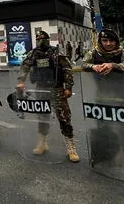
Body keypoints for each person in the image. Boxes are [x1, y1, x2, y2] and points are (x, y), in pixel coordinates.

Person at [17, 31, 79, 162]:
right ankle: (42, 143)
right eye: (38, 39)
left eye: (43, 38)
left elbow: (67, 69)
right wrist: (21, 81)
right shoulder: (33, 53)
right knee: (42, 116)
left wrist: (68, 87)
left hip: (56, 89)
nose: (40, 41)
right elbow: (25, 66)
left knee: (63, 116)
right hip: (41, 88)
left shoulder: (57, 53)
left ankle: (71, 148)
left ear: (48, 39)